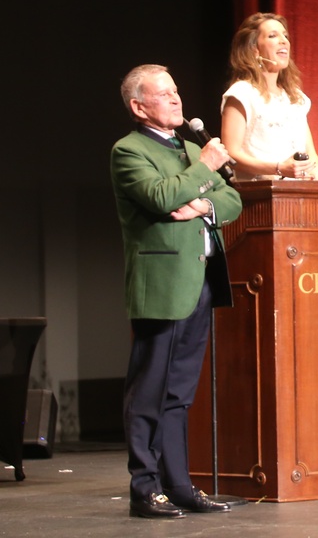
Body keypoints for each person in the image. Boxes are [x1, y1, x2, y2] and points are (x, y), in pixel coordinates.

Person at [111, 64, 243, 517]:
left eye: (175, 91)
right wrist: (202, 172)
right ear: (138, 106)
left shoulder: (189, 148)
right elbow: (160, 197)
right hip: (163, 284)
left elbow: (232, 200)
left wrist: (201, 200)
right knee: (148, 389)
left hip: (201, 282)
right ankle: (144, 488)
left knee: (180, 393)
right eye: (163, 94)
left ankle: (180, 485)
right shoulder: (128, 151)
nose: (175, 99)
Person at [220, 12, 318, 181]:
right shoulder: (242, 94)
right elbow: (230, 154)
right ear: (254, 50)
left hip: (300, 193)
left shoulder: (296, 98)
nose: (284, 40)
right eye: (272, 36)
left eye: (285, 36)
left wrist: (314, 173)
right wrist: (278, 169)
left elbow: (311, 155)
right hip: (262, 196)